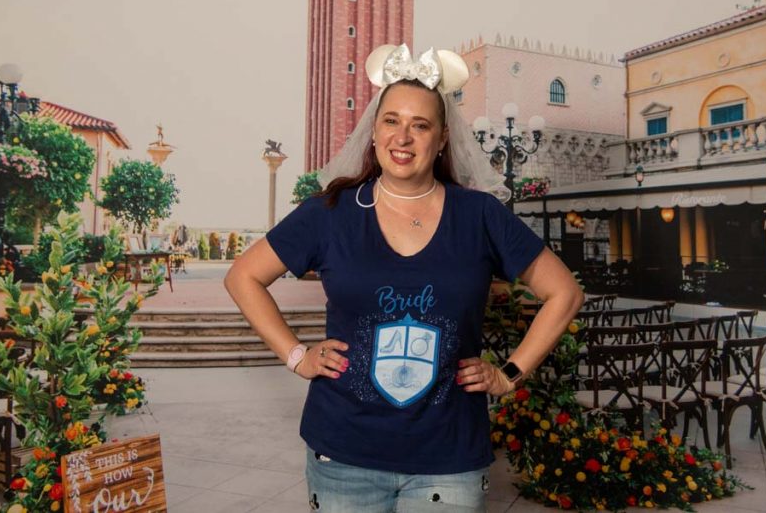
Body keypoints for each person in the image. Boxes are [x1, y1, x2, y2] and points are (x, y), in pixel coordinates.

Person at [225, 44, 583, 512]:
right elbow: (243, 277)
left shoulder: (479, 215)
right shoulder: (330, 214)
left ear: (441, 139)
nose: (403, 137)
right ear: (373, 133)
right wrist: (296, 355)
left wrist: (510, 374)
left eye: (420, 125)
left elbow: (565, 293)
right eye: (391, 120)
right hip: (343, 453)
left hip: (449, 458)